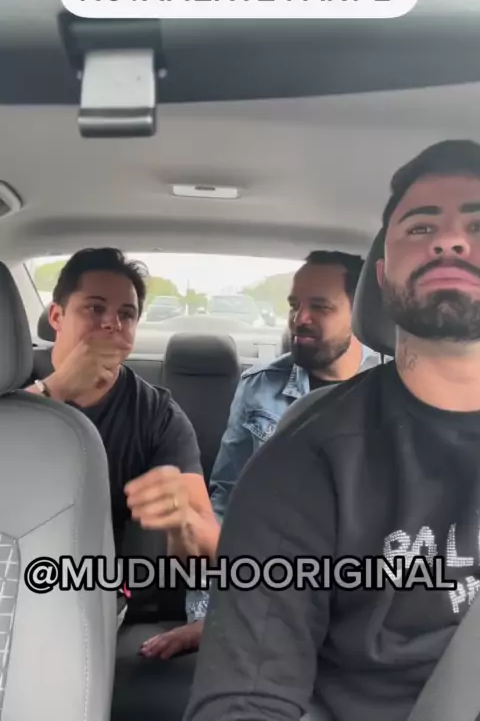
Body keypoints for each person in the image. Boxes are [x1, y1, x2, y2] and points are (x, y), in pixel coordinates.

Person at [182, 139, 480, 721]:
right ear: (384, 277)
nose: (450, 240)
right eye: (421, 227)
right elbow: (248, 691)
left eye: (477, 224)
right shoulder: (303, 455)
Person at [141, 250, 380, 659]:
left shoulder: (393, 389)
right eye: (294, 305)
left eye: (320, 306)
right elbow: (225, 504)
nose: (300, 318)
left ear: (359, 314)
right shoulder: (259, 387)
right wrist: (208, 614)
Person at [25, 248, 219, 568]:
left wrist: (183, 522)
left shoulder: (159, 416)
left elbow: (209, 549)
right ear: (57, 316)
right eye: (95, 308)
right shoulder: (12, 379)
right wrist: (55, 389)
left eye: (127, 314)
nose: (112, 324)